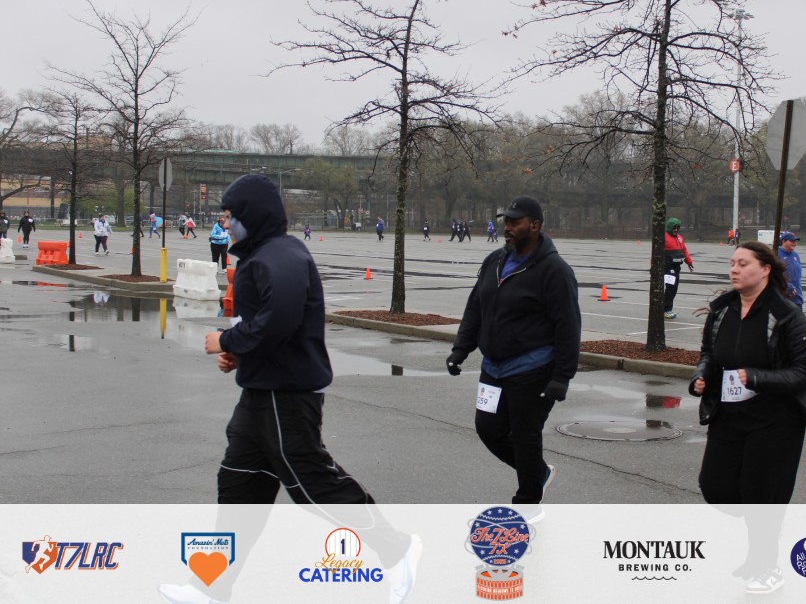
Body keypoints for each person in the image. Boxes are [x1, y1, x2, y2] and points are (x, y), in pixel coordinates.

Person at [163, 176, 420, 604]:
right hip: (261, 393)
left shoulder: (278, 257)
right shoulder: (263, 255)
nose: (224, 223)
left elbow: (280, 321)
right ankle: (211, 586)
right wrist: (239, 354)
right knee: (240, 487)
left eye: (229, 215)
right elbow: (264, 325)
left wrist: (227, 342)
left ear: (251, 215)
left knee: (314, 485)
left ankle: (397, 550)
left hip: (285, 396)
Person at [689, 242, 806, 593]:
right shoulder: (722, 310)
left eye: (743, 263)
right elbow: (709, 352)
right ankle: (766, 527)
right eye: (732, 263)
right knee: (715, 487)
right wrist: (701, 375)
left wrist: (757, 377)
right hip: (728, 415)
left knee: (762, 498)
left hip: (775, 422)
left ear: (765, 269)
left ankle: (767, 566)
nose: (734, 269)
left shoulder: (786, 314)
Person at [447, 196, 581, 506]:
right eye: (506, 221)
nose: (507, 227)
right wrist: (461, 348)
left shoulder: (554, 270)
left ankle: (527, 499)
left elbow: (568, 326)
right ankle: (538, 473)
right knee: (488, 429)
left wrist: (562, 376)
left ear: (535, 226)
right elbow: (476, 307)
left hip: (532, 369)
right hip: (493, 367)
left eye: (514, 222)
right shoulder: (494, 261)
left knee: (525, 434)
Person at [662, 217, 694, 319]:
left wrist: (689, 263)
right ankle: (666, 310)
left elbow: (684, 250)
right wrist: (653, 266)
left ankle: (665, 308)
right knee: (671, 288)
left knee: (674, 289)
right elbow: (655, 252)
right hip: (667, 267)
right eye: (674, 228)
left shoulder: (680, 238)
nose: (676, 230)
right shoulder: (664, 238)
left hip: (676, 267)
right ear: (669, 228)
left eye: (677, 228)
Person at [777, 232, 804, 308]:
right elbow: (773, 275)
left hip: (797, 298)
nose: (794, 243)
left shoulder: (795, 255)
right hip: (783, 298)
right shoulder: (776, 254)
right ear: (783, 241)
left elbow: (797, 277)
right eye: (792, 241)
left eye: (795, 241)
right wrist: (786, 285)